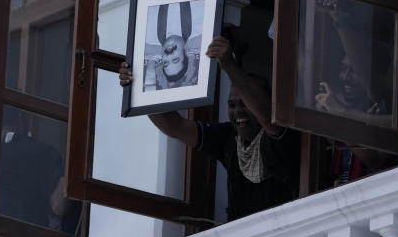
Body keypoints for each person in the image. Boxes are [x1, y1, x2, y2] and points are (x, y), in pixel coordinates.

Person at [121, 35, 299, 221]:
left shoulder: (282, 135)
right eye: (232, 105)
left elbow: (265, 117)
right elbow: (175, 126)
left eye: (244, 103)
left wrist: (229, 66)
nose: (238, 111)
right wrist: (139, 87)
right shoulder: (228, 138)